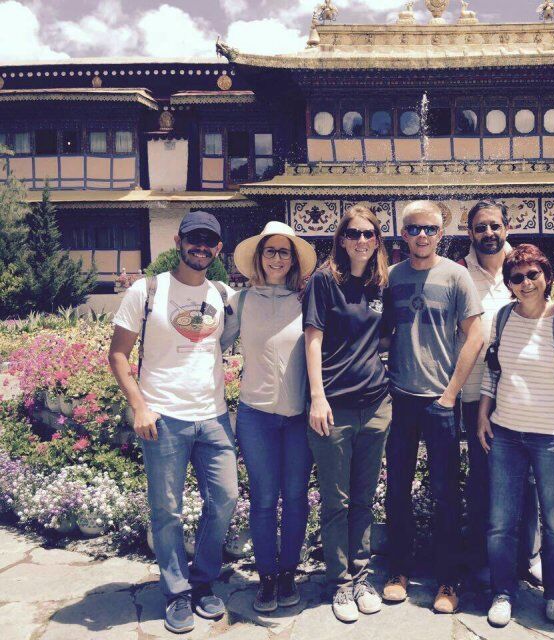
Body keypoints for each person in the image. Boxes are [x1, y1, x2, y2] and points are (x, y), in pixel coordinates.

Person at [108, 211, 238, 634]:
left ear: (218, 249)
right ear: (180, 240)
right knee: (167, 511)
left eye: (210, 241)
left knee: (225, 500)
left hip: (214, 416)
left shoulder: (224, 294)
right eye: (194, 239)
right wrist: (140, 406)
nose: (201, 247)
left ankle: (203, 581)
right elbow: (118, 355)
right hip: (163, 417)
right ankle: (178, 592)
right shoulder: (148, 290)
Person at [477, 244, 554, 627]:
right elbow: (493, 371)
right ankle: (503, 592)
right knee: (500, 521)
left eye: (533, 275)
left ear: (546, 277)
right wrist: (483, 414)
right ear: (509, 284)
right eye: (517, 277)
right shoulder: (503, 318)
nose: (526, 283)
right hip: (507, 432)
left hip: (552, 436)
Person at [381, 200, 484, 614]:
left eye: (430, 229)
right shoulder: (390, 277)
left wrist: (450, 394)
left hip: (441, 401)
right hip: (401, 399)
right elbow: (384, 333)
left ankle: (447, 579)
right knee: (397, 491)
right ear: (402, 234)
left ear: (442, 234)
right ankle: (398, 570)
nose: (422, 235)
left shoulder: (457, 276)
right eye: (414, 229)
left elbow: (474, 336)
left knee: (445, 493)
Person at [220, 221, 317, 613]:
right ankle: (266, 576)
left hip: (298, 416)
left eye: (285, 251)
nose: (277, 258)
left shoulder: (306, 298)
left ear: (294, 259)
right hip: (256, 415)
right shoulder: (241, 301)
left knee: (295, 498)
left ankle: (289, 571)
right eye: (271, 251)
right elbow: (212, 346)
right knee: (262, 499)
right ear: (259, 257)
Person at [302, 205, 392, 623]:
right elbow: (313, 340)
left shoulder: (380, 283)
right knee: (336, 500)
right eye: (353, 234)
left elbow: (386, 336)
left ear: (377, 240)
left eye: (368, 234)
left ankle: (361, 575)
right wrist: (317, 397)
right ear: (340, 239)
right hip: (334, 405)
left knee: (364, 496)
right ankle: (339, 582)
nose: (361, 241)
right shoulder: (325, 281)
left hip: (375, 405)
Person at [458, 200, 542, 587]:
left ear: (507, 227)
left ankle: (527, 556)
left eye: (494, 225)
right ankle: (483, 557)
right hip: (477, 394)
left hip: (522, 394)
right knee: (482, 480)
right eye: (479, 228)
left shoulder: (523, 269)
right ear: (469, 232)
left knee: (525, 481)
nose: (487, 233)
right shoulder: (460, 275)